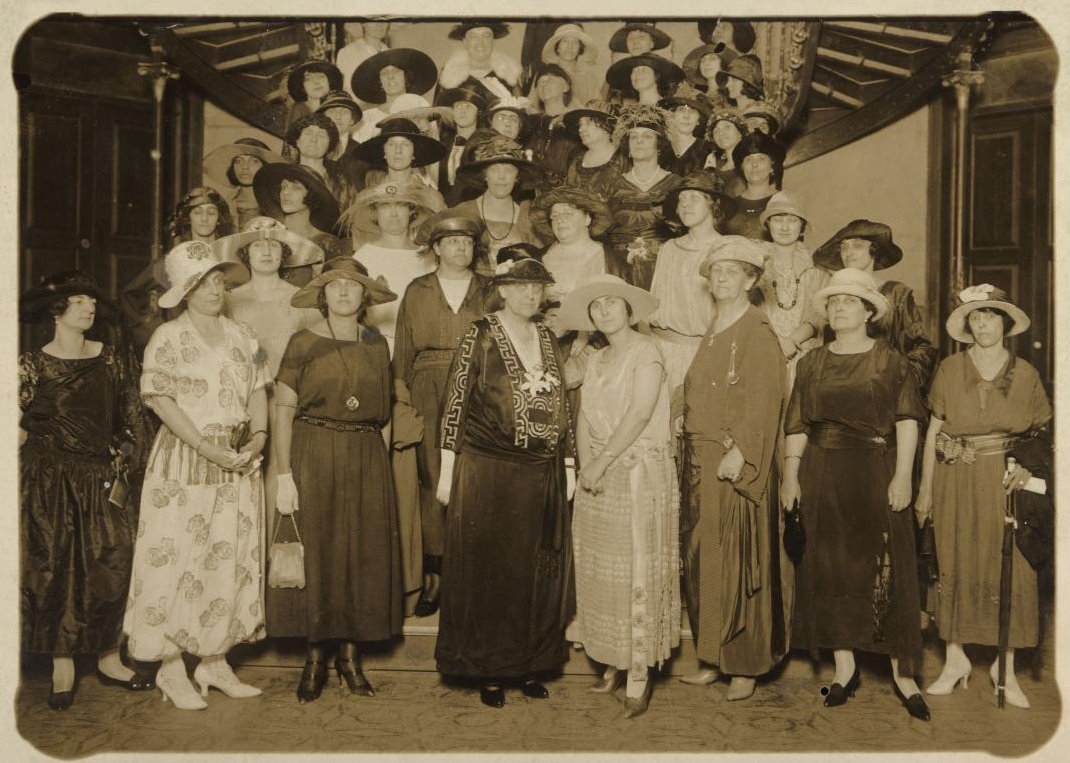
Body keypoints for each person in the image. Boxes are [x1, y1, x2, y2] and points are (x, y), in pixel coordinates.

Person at [780, 267, 930, 722]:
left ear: (869, 311)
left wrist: (903, 475)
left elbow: (907, 419)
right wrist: (791, 475)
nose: (838, 308)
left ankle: (904, 674)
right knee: (831, 567)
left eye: (849, 301)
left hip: (877, 469)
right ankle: (844, 669)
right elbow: (798, 424)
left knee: (886, 565)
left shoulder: (891, 361)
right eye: (833, 302)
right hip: (822, 471)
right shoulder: (810, 363)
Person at [123, 241, 266, 711]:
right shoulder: (169, 338)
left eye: (218, 282)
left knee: (228, 558)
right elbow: (161, 401)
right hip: (186, 458)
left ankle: (214, 660)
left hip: (236, 462)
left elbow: (258, 391)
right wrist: (206, 447)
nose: (213, 290)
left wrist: (258, 438)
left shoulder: (243, 334)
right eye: (202, 284)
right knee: (176, 559)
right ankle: (169, 667)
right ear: (184, 292)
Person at [435, 246, 576, 709]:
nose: (529, 295)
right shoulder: (480, 333)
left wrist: (569, 461)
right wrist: (448, 468)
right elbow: (455, 400)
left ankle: (530, 663)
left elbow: (563, 408)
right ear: (503, 290)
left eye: (536, 287)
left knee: (536, 570)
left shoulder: (549, 338)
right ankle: (489, 671)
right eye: (519, 287)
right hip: (487, 468)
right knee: (491, 571)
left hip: (540, 472)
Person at [268, 257, 403, 702]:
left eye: (353, 286)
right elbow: (283, 408)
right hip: (314, 450)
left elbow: (383, 416)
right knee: (321, 551)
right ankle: (314, 660)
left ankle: (350, 658)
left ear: (365, 296)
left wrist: (378, 465)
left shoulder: (377, 343)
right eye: (334, 286)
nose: (344, 292)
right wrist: (284, 471)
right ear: (322, 295)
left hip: (364, 454)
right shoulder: (302, 341)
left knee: (360, 553)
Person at [19, 271, 155, 710]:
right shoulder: (31, 364)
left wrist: (133, 463)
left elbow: (132, 415)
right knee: (54, 564)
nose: (88, 308)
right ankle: (63, 662)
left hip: (100, 474)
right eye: (78, 302)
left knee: (111, 559)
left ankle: (109, 657)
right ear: (57, 312)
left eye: (91, 302)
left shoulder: (112, 359)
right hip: (48, 478)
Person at [915, 285, 1052, 709]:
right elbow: (934, 431)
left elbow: (1042, 434)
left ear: (1005, 322)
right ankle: (954, 660)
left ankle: (1004, 667)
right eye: (975, 317)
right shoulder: (950, 369)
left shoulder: (1026, 373)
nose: (983, 324)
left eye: (991, 316)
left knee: (1010, 567)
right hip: (954, 477)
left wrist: (1028, 470)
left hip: (1005, 481)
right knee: (954, 562)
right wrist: (924, 489)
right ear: (967, 325)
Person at [558, 274, 680, 719]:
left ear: (629, 310)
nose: (605, 310)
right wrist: (588, 465)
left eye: (613, 303)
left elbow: (640, 412)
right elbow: (587, 416)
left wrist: (602, 461)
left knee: (635, 567)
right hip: (601, 473)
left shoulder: (646, 351)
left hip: (638, 470)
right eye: (597, 306)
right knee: (601, 570)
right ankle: (612, 661)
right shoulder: (596, 358)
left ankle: (639, 672)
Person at [679, 237, 789, 702]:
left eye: (732, 271)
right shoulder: (713, 328)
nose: (721, 278)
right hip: (699, 460)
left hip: (730, 463)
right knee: (705, 560)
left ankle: (745, 666)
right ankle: (713, 658)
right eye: (716, 271)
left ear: (750, 280)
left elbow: (764, 399)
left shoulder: (756, 330)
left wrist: (741, 451)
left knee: (739, 561)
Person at [394, 210, 494, 618]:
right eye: (452, 242)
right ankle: (434, 576)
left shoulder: (490, 289)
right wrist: (402, 399)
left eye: (467, 242)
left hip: (479, 388)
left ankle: (472, 574)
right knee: (432, 475)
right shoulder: (417, 290)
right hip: (427, 389)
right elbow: (402, 350)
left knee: (475, 473)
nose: (460, 248)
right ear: (436, 248)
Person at [217, 217, 323, 531]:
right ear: (245, 253)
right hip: (240, 403)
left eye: (274, 244)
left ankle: (276, 556)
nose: (266, 251)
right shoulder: (228, 301)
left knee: (282, 474)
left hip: (288, 403)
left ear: (284, 253)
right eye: (258, 244)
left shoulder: (303, 301)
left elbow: (318, 357)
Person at [813, 219, 938, 391]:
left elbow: (923, 348)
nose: (848, 253)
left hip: (887, 390)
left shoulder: (896, 294)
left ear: (874, 251)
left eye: (857, 246)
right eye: (843, 247)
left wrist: (900, 381)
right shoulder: (834, 296)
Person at [646, 172, 734, 392]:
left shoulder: (726, 250)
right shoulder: (668, 249)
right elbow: (652, 306)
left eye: (694, 198)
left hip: (707, 354)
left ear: (713, 205)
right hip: (662, 351)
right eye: (681, 200)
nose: (685, 205)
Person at [342, 182, 438, 352]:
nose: (393, 213)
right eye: (385, 206)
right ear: (375, 213)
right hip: (374, 347)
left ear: (411, 211)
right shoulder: (363, 257)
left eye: (401, 205)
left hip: (420, 348)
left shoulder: (427, 257)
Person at [603, 104, 683, 287]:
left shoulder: (677, 184)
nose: (639, 141)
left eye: (647, 136)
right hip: (619, 268)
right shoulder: (612, 185)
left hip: (665, 268)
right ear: (627, 145)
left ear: (659, 145)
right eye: (634, 137)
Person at [757, 191, 828, 385]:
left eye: (793, 220)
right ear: (768, 224)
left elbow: (817, 317)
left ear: (802, 226)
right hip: (761, 351)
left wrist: (791, 341)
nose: (785, 227)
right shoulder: (756, 266)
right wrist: (775, 341)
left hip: (802, 354)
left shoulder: (816, 269)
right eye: (778, 219)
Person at [452, 133, 543, 275]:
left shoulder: (528, 216)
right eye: (495, 169)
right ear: (485, 175)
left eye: (508, 170)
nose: (501, 177)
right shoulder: (463, 212)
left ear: (517, 177)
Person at [253, 162, 349, 284]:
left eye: (296, 188)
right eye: (283, 187)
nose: (286, 192)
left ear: (312, 195)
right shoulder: (269, 237)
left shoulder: (328, 244)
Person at [530, 185, 611, 301]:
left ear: (587, 219)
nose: (560, 220)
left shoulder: (608, 259)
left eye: (567, 214)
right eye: (554, 216)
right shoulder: (539, 258)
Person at [354, 117, 447, 206]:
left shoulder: (431, 198)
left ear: (414, 153)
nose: (398, 150)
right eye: (391, 144)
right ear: (384, 152)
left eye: (405, 144)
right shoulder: (366, 198)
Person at [351, 48, 438, 143]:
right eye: (384, 73)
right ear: (380, 82)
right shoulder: (367, 117)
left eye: (396, 71)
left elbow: (433, 144)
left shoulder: (420, 106)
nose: (390, 76)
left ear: (406, 77)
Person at [202, 137, 286, 231]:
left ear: (265, 165)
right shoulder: (224, 203)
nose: (245, 167)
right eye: (238, 161)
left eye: (254, 161)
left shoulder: (280, 202)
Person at [524, 64, 582, 190]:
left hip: (565, 191)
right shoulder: (530, 122)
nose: (544, 85)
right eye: (540, 83)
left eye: (549, 80)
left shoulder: (578, 122)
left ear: (565, 86)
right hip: (530, 191)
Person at [437, 21, 521, 106]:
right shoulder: (449, 75)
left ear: (493, 40)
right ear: (465, 41)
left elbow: (521, 112)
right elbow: (440, 113)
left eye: (486, 36)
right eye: (473, 37)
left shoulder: (509, 75)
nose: (480, 43)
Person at [722, 131, 785, 240]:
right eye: (748, 159)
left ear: (772, 167)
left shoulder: (785, 202)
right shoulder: (729, 206)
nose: (754, 164)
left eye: (761, 158)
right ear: (742, 168)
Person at [562, 100, 625, 201]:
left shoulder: (624, 161)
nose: (580, 129)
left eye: (588, 123)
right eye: (580, 124)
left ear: (605, 126)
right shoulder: (576, 160)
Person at [315, 89, 368, 209]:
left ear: (352, 119)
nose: (338, 116)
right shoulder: (310, 150)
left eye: (344, 111)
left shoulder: (363, 154)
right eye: (332, 111)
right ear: (322, 118)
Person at [283, 60, 344, 161]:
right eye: (308, 79)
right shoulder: (298, 109)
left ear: (329, 82)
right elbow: (291, 151)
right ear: (302, 86)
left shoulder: (337, 109)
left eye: (321, 77)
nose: (316, 82)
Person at [436, 85, 487, 206]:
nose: (462, 111)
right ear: (452, 111)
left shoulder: (485, 145)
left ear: (478, 113)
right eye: (458, 106)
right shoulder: (442, 144)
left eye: (468, 106)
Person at [658, 83, 713, 177]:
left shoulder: (708, 150)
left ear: (698, 121)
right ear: (672, 115)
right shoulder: (659, 149)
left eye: (692, 111)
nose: (686, 116)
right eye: (682, 110)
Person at [540, 23, 600, 107]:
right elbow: (533, 107)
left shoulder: (589, 77)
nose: (570, 47)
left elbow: (597, 107)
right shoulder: (545, 74)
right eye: (565, 41)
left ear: (580, 48)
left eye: (575, 42)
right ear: (557, 47)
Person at [335, 21, 391, 99]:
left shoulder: (390, 53)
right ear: (363, 24)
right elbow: (346, 88)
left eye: (384, 21)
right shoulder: (348, 52)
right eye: (373, 21)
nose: (379, 25)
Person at [605, 53, 684, 107]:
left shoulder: (670, 108)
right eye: (634, 71)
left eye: (643, 70)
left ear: (656, 76)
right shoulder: (627, 113)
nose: (637, 75)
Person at [704, 110, 747, 198]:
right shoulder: (713, 165)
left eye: (727, 127)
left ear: (741, 133)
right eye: (716, 130)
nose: (720, 133)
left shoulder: (750, 164)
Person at [607, 21, 672, 58]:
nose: (635, 42)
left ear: (652, 43)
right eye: (631, 38)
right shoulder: (622, 71)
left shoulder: (662, 70)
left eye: (641, 37)